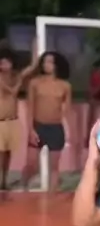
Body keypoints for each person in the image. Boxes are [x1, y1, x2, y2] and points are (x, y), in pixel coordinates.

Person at [22, 52, 72, 193]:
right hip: (38, 127)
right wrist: (31, 130)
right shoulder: (35, 83)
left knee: (54, 167)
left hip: (56, 129)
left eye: (50, 62)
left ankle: (52, 196)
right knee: (31, 164)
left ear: (56, 65)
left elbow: (66, 110)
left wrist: (69, 131)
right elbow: (30, 108)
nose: (46, 65)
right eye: (44, 62)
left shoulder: (65, 86)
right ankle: (24, 189)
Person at [0, 44, 38, 189]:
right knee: (1, 153)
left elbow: (32, 67)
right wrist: (20, 81)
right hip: (1, 121)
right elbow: (12, 91)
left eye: (6, 62)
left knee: (8, 153)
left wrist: (35, 46)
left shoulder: (15, 76)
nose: (4, 64)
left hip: (12, 120)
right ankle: (1, 180)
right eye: (1, 62)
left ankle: (4, 181)